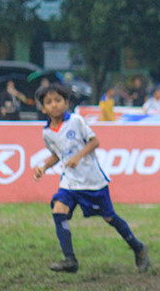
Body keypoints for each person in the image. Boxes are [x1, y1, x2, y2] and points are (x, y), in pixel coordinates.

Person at [31, 82, 150, 274]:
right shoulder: (47, 132)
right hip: (69, 181)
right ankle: (70, 260)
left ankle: (138, 248)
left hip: (92, 181)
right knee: (58, 209)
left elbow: (95, 142)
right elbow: (57, 154)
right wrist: (43, 167)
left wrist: (77, 157)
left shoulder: (76, 121)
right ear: (43, 107)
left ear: (66, 102)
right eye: (49, 102)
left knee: (110, 217)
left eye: (58, 100)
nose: (54, 105)